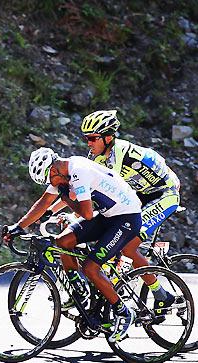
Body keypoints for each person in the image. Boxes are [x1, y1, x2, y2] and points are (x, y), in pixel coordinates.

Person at [4, 147, 142, 342]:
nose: (51, 185)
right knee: (63, 241)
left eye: (49, 180)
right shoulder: (63, 171)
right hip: (108, 216)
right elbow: (43, 202)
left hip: (126, 219)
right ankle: (80, 289)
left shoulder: (79, 172)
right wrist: (18, 227)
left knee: (90, 268)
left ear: (53, 171)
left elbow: (85, 213)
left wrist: (66, 199)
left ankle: (124, 312)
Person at [78, 109, 182, 317]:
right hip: (140, 194)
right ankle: (119, 279)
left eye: (92, 138)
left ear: (108, 137)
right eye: (86, 138)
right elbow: (84, 186)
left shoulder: (119, 154)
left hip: (164, 194)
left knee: (127, 245)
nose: (88, 143)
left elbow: (111, 193)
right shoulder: (98, 156)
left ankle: (162, 295)